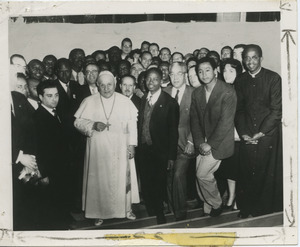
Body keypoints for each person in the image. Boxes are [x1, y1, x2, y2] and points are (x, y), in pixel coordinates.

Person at [74, 71, 139, 226]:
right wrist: (93, 125)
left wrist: (132, 144)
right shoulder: (89, 101)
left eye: (109, 84)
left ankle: (126, 209)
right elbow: (77, 122)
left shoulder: (125, 101)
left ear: (115, 84)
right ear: (97, 85)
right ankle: (98, 212)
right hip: (99, 149)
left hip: (121, 148)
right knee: (99, 181)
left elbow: (132, 125)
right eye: (102, 84)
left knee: (123, 179)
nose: (106, 88)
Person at [234, 44, 283, 218]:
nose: (250, 61)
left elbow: (277, 110)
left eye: (254, 57)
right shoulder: (239, 80)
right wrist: (244, 133)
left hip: (268, 134)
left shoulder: (273, 78)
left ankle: (263, 210)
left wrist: (261, 133)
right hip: (247, 133)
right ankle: (246, 207)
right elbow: (238, 110)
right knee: (247, 173)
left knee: (265, 172)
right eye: (246, 58)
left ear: (261, 58)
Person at [190, 57, 237, 217]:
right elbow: (194, 120)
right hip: (202, 143)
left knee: (201, 174)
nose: (204, 74)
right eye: (200, 71)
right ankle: (208, 204)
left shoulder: (227, 91)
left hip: (219, 143)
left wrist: (209, 144)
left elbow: (226, 122)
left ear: (216, 70)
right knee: (200, 175)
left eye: (207, 70)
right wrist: (199, 142)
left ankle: (216, 204)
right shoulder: (197, 93)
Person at [138, 68, 179, 224]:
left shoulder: (169, 102)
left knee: (159, 182)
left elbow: (173, 132)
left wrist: (171, 157)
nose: (151, 82)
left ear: (161, 81)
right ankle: (152, 208)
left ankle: (160, 212)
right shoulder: (143, 100)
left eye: (155, 79)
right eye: (148, 79)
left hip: (161, 151)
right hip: (144, 149)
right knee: (147, 181)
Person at [34, 80, 72, 229]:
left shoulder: (56, 112)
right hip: (50, 171)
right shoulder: (38, 118)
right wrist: (43, 174)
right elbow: (39, 149)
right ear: (40, 97)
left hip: (60, 168)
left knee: (60, 201)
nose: (54, 99)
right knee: (51, 208)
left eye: (56, 95)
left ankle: (64, 225)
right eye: (49, 96)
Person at [164, 62, 195, 221]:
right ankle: (171, 208)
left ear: (185, 75)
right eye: (172, 74)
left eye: (179, 74)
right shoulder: (164, 92)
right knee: (169, 176)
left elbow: (199, 121)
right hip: (167, 145)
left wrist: (191, 141)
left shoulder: (194, 93)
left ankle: (181, 213)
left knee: (178, 175)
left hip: (186, 144)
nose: (175, 78)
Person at [214, 58, 243, 210]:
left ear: (238, 71)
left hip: (239, 134)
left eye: (231, 71)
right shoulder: (221, 89)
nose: (226, 74)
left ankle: (239, 197)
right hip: (226, 135)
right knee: (230, 168)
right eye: (224, 70)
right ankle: (231, 196)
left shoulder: (241, 88)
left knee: (239, 169)